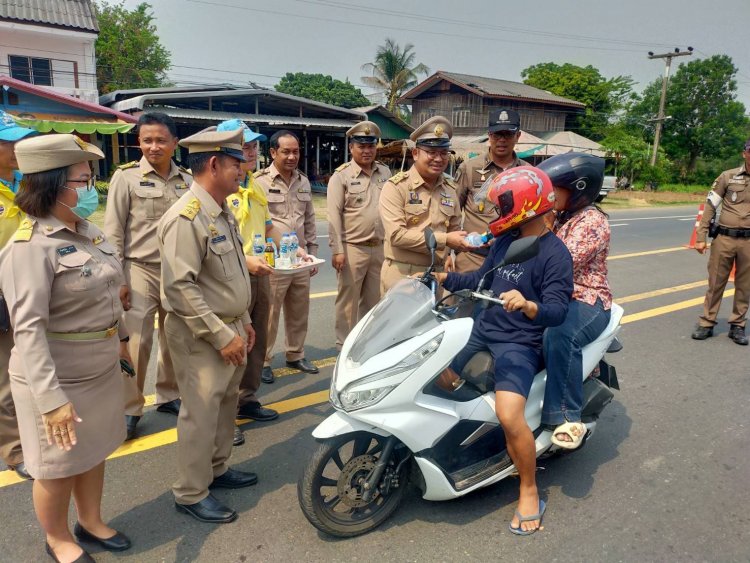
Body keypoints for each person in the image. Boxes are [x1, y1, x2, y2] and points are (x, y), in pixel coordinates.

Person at [0, 134, 132, 561]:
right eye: (83, 179)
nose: (92, 188)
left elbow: (111, 295)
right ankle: (57, 538)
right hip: (57, 378)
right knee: (56, 467)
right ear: (53, 184)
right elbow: (29, 331)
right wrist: (51, 399)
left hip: (99, 368)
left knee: (93, 453)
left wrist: (123, 343)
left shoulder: (87, 231)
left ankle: (90, 521)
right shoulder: (28, 248)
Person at [433, 166, 573, 535]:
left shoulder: (555, 254)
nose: (497, 214)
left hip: (519, 343)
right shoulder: (507, 240)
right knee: (435, 381)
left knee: (510, 415)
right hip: (480, 331)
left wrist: (528, 305)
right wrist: (443, 278)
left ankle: (528, 489)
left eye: (502, 206)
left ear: (523, 205)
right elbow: (480, 280)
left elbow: (558, 310)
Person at [158, 126, 257, 524]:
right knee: (200, 412)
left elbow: (230, 275)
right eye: (237, 163)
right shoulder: (187, 217)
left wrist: (244, 321)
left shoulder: (221, 210)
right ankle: (190, 491)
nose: (244, 170)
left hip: (230, 328)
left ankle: (216, 469)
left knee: (224, 404)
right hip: (202, 335)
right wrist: (221, 335)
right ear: (214, 164)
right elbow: (180, 289)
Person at [104, 112, 190, 440]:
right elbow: (112, 232)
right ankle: (129, 408)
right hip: (140, 269)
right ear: (138, 142)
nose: (153, 146)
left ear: (174, 143)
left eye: (160, 140)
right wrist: (118, 280)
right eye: (146, 140)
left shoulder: (187, 180)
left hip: (178, 270)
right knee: (137, 341)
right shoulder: (125, 178)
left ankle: (169, 394)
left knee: (176, 337)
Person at [536, 153, 612, 450]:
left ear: (580, 189)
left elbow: (559, 264)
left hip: (586, 300)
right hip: (552, 296)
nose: (549, 195)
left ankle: (566, 415)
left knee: (559, 332)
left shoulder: (592, 221)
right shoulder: (560, 215)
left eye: (556, 189)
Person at [216, 119, 279, 448]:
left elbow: (268, 229)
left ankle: (247, 399)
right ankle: (225, 418)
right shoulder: (221, 192)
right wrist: (247, 263)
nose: (251, 151)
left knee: (257, 339)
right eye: (244, 146)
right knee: (234, 346)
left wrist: (290, 250)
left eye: (254, 145)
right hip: (232, 279)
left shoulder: (254, 185)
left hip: (260, 273)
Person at [379, 116, 469, 294]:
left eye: (443, 153)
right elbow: (397, 235)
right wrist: (445, 240)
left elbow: (454, 227)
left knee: (432, 322)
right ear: (415, 153)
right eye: (431, 152)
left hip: (437, 275)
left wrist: (464, 242)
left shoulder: (450, 189)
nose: (438, 158)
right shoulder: (397, 187)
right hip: (403, 274)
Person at [254, 130, 319, 375]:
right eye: (286, 151)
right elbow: (258, 222)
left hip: (300, 259)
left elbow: (310, 219)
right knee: (269, 314)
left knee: (299, 310)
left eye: (296, 151)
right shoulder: (260, 182)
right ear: (272, 152)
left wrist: (312, 252)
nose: (292, 156)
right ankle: (264, 361)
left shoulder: (303, 181)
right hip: (274, 260)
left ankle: (295, 354)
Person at [327, 121, 390, 349]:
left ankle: (366, 345)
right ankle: (343, 346)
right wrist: (337, 250)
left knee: (375, 301)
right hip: (353, 248)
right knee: (348, 303)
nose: (366, 151)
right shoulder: (341, 176)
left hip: (380, 247)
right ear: (351, 147)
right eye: (361, 145)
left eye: (370, 145)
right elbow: (333, 215)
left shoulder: (385, 172)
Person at [0, 110, 37, 480]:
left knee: (33, 368)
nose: (17, 148)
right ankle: (15, 450)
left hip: (28, 290)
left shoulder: (20, 185)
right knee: (5, 380)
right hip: (2, 299)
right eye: (10, 141)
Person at [453, 109, 528, 273]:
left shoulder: (527, 172)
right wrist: (446, 252)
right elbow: (452, 211)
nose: (501, 140)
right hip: (472, 259)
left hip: (511, 261)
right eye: (496, 134)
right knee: (463, 298)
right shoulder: (470, 168)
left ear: (518, 136)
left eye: (507, 134)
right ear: (489, 135)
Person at [692, 139, 750, 345]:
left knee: (745, 286)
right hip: (724, 238)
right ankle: (707, 322)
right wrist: (701, 237)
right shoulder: (728, 176)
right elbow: (710, 206)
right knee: (716, 282)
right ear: (744, 153)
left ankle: (738, 325)